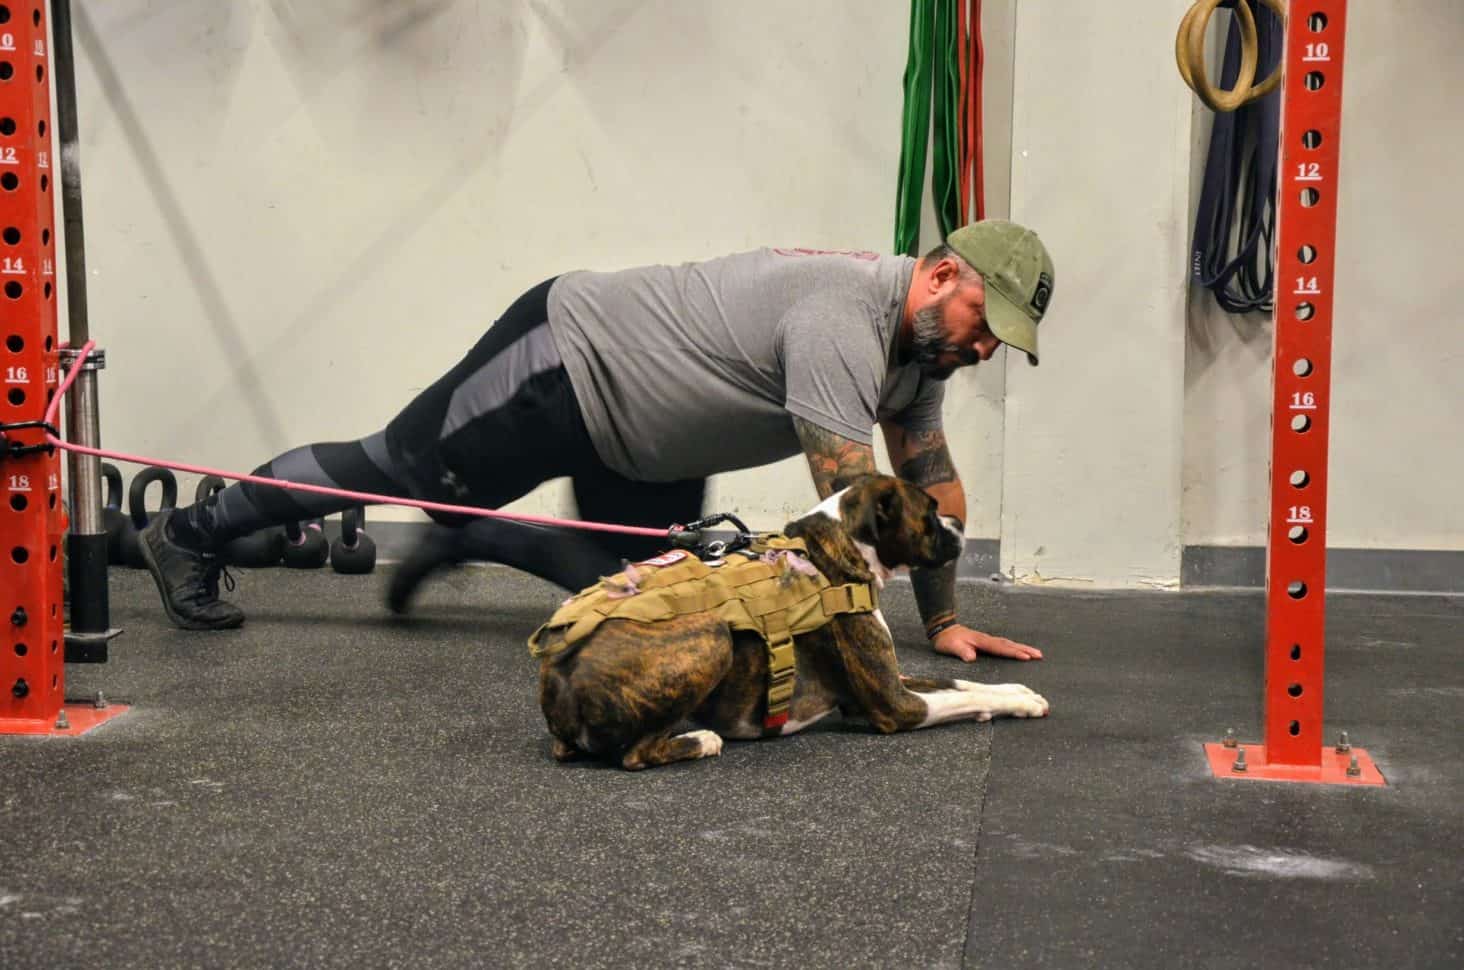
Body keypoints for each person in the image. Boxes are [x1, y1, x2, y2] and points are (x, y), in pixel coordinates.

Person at [140, 219, 1054, 662]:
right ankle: (188, 532)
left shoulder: (916, 359)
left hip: (649, 446)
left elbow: (932, 493)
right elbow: (851, 518)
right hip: (569, 362)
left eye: (997, 342)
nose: (982, 349)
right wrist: (872, 665)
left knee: (643, 599)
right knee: (396, 467)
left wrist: (944, 620)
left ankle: (470, 537)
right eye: (983, 320)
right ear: (940, 274)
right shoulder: (840, 320)